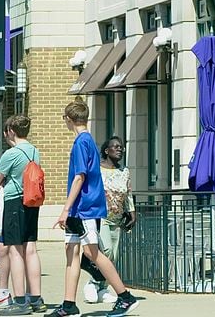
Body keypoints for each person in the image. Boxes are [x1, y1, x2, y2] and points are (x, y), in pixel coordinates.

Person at [51, 102, 139, 317]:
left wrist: (66, 209)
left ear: (68, 119)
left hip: (85, 208)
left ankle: (125, 296)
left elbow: (80, 177)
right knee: (71, 252)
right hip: (80, 209)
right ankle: (68, 304)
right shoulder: (87, 140)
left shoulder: (82, 142)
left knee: (92, 252)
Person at [0, 116, 45, 315]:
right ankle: (36, 298)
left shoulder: (11, 154)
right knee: (31, 248)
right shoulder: (34, 151)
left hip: (14, 202)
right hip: (32, 202)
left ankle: (20, 301)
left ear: (11, 130)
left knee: (15, 251)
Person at [81, 136, 136, 304]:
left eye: (121, 147)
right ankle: (93, 282)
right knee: (106, 251)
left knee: (113, 256)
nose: (119, 149)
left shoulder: (124, 171)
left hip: (117, 219)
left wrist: (132, 212)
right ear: (107, 150)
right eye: (115, 147)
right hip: (102, 217)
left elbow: (128, 193)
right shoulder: (98, 169)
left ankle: (102, 288)